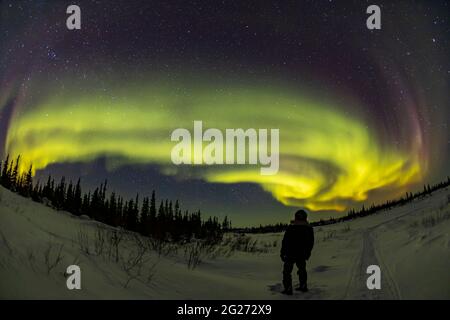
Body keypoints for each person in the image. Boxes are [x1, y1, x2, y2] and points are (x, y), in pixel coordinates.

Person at [280, 209, 314, 295]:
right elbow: (310, 243)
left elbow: (285, 241)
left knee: (287, 272)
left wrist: (282, 252)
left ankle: (288, 288)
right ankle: (303, 286)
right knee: (302, 270)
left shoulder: (291, 227)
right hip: (301, 254)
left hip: (290, 253)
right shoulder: (308, 228)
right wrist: (307, 253)